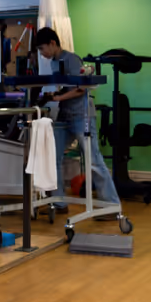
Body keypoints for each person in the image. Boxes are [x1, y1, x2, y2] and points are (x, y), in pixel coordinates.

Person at [34, 27, 120, 212]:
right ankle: (59, 203)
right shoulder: (54, 63)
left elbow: (81, 88)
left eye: (42, 48)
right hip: (65, 116)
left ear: (52, 43)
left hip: (82, 116)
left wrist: (58, 98)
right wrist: (54, 95)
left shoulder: (72, 59)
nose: (42, 53)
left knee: (94, 160)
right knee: (53, 158)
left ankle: (111, 206)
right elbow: (65, 87)